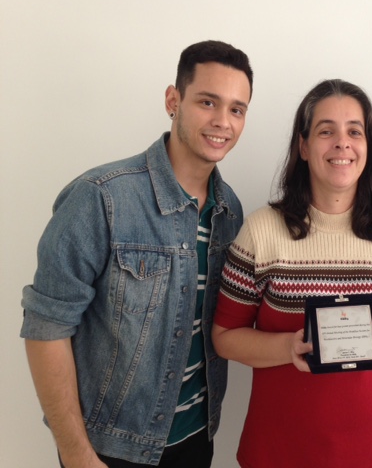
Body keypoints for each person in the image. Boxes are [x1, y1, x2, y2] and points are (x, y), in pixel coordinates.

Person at [20, 40, 253, 468]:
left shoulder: (230, 210)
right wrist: (76, 454)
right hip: (109, 451)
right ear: (173, 100)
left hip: (196, 439)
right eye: (207, 102)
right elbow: (45, 328)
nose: (223, 121)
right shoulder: (100, 197)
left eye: (237, 109)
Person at [212, 79, 372, 468]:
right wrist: (287, 348)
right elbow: (225, 337)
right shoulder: (262, 231)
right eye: (326, 131)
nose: (342, 143)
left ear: (368, 145)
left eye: (354, 132)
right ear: (303, 146)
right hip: (279, 452)